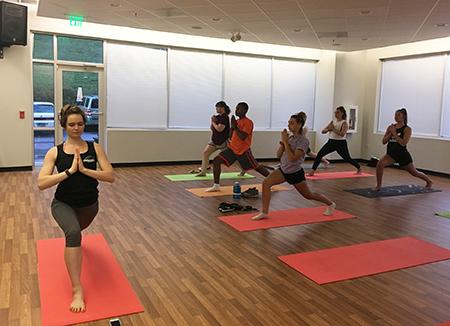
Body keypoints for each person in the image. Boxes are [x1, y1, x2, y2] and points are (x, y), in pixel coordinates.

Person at [37, 105, 115, 313]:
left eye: (80, 124)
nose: (76, 128)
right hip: (63, 203)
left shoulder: (94, 147)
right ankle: (77, 290)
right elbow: (41, 183)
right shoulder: (56, 151)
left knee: (77, 232)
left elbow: (110, 176)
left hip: (90, 205)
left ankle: (75, 245)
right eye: (71, 124)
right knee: (73, 233)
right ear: (64, 126)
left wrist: (85, 170)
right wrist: (70, 172)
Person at [252, 112, 336, 220]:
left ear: (299, 124)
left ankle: (330, 204)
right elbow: (278, 155)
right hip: (283, 170)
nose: (289, 125)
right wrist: (283, 143)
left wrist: (286, 143)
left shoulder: (303, 141)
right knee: (266, 184)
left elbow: (293, 158)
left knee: (308, 195)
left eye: (292, 123)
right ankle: (264, 212)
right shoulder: (290, 138)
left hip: (295, 173)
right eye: (288, 123)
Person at [206, 102, 270, 191]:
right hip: (232, 149)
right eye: (236, 108)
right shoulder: (237, 122)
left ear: (244, 110)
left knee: (256, 167)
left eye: (238, 109)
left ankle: (272, 179)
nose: (236, 111)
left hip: (243, 151)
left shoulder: (248, 122)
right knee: (216, 161)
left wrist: (235, 127)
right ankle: (216, 185)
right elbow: (230, 136)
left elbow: (243, 137)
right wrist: (232, 127)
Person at [373, 108, 432, 191]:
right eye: (395, 115)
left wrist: (394, 133)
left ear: (404, 117)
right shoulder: (391, 127)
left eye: (398, 115)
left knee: (414, 172)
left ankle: (429, 181)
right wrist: (390, 133)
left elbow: (403, 143)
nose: (396, 117)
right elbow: (384, 141)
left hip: (402, 155)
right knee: (380, 164)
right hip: (391, 154)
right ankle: (378, 186)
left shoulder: (407, 129)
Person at [309, 106, 361, 176]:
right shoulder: (333, 122)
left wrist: (333, 129)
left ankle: (359, 168)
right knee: (320, 154)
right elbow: (323, 131)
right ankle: (312, 171)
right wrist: (328, 129)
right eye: (335, 112)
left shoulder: (344, 123)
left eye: (337, 112)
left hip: (341, 143)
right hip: (331, 142)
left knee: (347, 158)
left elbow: (342, 134)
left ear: (342, 113)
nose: (336, 114)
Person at [196, 101, 231, 177]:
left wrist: (214, 122)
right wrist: (212, 121)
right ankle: (203, 172)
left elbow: (219, 129)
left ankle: (243, 169)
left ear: (222, 108)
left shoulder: (225, 117)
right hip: (214, 140)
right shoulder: (218, 117)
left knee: (232, 157)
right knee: (205, 153)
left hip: (223, 142)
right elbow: (212, 128)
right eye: (216, 107)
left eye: (218, 107)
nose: (216, 109)